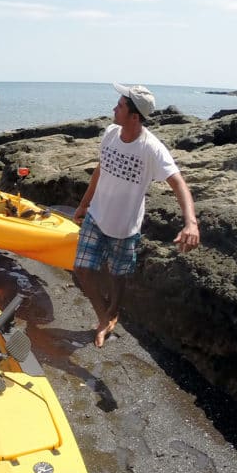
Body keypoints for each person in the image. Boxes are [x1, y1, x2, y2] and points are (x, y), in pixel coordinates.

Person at [73, 83, 201, 348]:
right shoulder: (110, 133)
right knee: (83, 270)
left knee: (119, 276)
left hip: (125, 228)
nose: (113, 109)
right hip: (96, 217)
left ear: (134, 116)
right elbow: (100, 169)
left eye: (120, 106)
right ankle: (103, 319)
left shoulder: (151, 149)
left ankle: (114, 311)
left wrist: (191, 223)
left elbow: (178, 182)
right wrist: (84, 204)